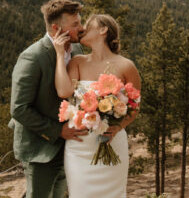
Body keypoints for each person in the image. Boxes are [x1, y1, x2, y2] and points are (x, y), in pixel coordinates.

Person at [52, 13, 141, 198]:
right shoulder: (78, 61)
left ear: (103, 30)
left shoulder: (126, 66)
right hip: (79, 148)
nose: (82, 29)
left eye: (88, 25)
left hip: (112, 143)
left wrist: (118, 127)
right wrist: (60, 55)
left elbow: (135, 107)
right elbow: (63, 91)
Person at [10, 0, 88, 198]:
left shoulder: (77, 50)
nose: (82, 27)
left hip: (68, 147)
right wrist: (59, 130)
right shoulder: (32, 57)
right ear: (56, 28)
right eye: (75, 24)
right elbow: (19, 108)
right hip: (40, 148)